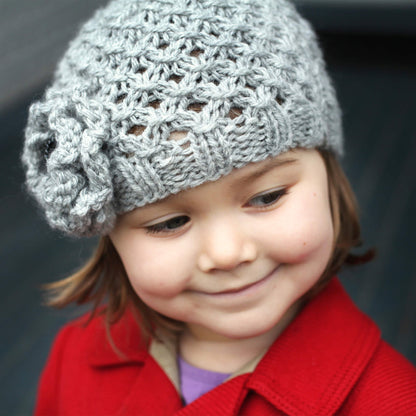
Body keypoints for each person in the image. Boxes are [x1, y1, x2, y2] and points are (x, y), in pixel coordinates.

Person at [22, 0, 416, 414]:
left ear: (329, 176)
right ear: (110, 236)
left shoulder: (391, 402)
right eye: (170, 222)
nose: (227, 254)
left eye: (266, 197)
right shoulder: (76, 359)